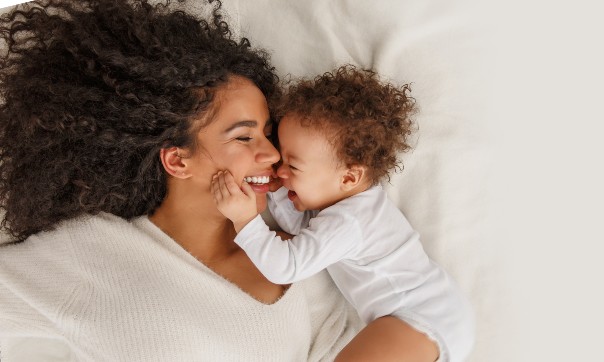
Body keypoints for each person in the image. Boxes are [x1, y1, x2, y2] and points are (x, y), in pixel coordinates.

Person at [0, 1, 369, 360]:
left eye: (268, 135)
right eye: (244, 137)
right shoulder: (94, 252)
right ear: (177, 159)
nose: (272, 155)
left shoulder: (300, 252)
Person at [211, 66, 475, 362]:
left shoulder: (350, 221)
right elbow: (302, 230)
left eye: (293, 167)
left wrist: (245, 221)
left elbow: (288, 264)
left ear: (349, 178)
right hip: (431, 313)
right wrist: (277, 189)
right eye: (282, 159)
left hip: (420, 317)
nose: (279, 171)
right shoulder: (344, 204)